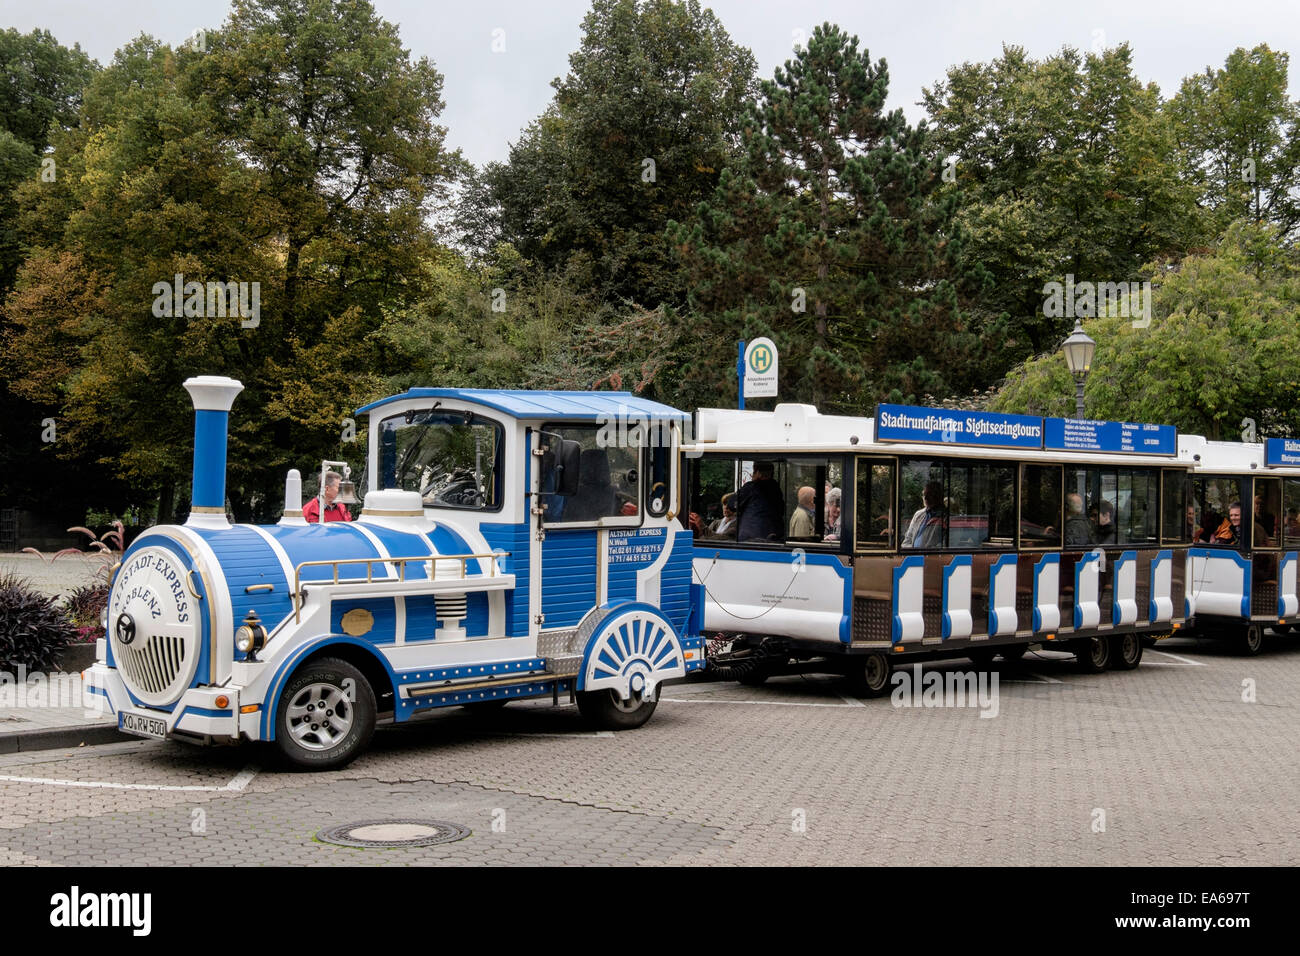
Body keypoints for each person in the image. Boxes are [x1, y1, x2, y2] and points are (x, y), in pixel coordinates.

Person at [735, 461, 784, 542]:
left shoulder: (751, 487)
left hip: (751, 537)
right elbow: (781, 510)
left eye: (753, 472)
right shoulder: (776, 489)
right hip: (774, 537)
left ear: (758, 473)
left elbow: (731, 504)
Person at [902, 480, 946, 549]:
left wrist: (925, 553)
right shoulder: (918, 514)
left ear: (938, 496)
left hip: (932, 558)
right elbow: (907, 540)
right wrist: (913, 552)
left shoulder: (946, 518)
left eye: (929, 495)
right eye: (924, 494)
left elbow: (946, 546)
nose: (925, 498)